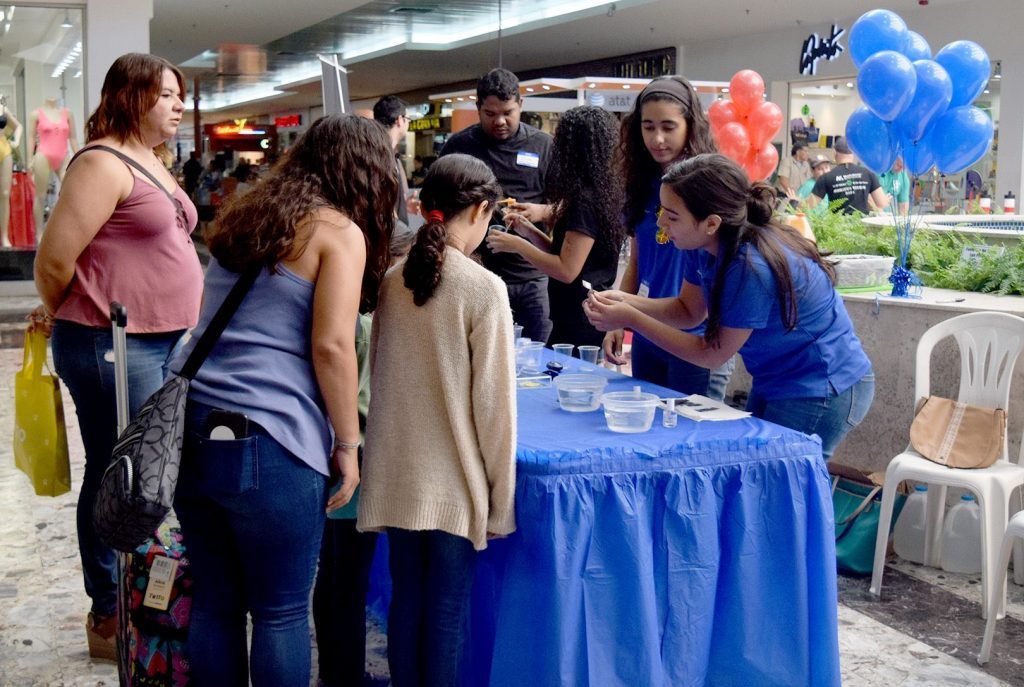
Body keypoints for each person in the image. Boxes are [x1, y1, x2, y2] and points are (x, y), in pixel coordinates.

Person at [170, 114, 396, 686]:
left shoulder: (252, 216)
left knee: (219, 602)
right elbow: (332, 346)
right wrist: (348, 443)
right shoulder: (339, 233)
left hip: (193, 425)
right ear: (370, 174)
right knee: (281, 610)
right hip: (271, 440)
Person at [30, 52, 202, 662]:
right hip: (113, 342)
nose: (179, 105)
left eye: (181, 95)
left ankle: (147, 596)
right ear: (131, 97)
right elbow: (52, 263)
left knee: (152, 474)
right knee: (120, 476)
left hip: (162, 340)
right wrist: (78, 310)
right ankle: (109, 614)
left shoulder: (150, 161)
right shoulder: (101, 164)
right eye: (167, 95)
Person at [585, 153, 874, 460]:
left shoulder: (749, 266)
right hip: (777, 379)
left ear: (711, 223)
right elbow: (688, 311)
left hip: (823, 386)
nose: (660, 223)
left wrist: (632, 318)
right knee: (760, 477)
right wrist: (626, 301)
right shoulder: (702, 245)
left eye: (671, 216)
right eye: (661, 211)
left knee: (781, 487)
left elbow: (711, 353)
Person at [358, 154, 517, 687]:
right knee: (447, 614)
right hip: (452, 486)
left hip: (398, 479)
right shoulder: (483, 289)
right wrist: (501, 502)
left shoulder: (392, 281)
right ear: (481, 210)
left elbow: (378, 381)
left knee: (407, 604)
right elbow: (495, 412)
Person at [312, 229, 414, 687]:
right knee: (347, 580)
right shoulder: (372, 327)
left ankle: (338, 670)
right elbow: (371, 401)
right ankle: (346, 674)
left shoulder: (346, 317)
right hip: (358, 460)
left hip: (331, 455)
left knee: (333, 574)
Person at [602, 75, 731, 399]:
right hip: (648, 335)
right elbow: (637, 260)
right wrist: (618, 319)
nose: (657, 138)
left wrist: (624, 309)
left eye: (668, 126)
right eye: (648, 127)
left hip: (697, 339)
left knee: (695, 443)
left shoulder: (710, 185)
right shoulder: (642, 182)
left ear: (690, 125)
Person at [485, 105, 624, 347]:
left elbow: (566, 270)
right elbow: (565, 254)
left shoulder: (585, 200)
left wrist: (517, 245)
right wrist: (528, 231)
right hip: (578, 311)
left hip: (581, 317)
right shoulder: (596, 193)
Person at [440, 67, 554, 343]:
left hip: (531, 276)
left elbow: (566, 206)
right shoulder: (460, 145)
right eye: (490, 114)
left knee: (538, 354)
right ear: (478, 108)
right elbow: (440, 200)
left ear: (520, 106)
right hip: (476, 271)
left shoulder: (543, 145)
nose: (500, 121)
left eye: (508, 112)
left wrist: (541, 211)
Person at [809, 137, 887, 215]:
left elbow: (809, 205)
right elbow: (881, 203)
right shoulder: (868, 173)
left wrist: (796, 202)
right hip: (861, 225)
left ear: (835, 153)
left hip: (837, 225)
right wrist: (886, 199)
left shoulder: (826, 177)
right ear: (854, 153)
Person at [373, 94, 412, 230]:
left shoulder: (382, 153)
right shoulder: (381, 156)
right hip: (387, 235)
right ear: (400, 120)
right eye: (408, 119)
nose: (408, 124)